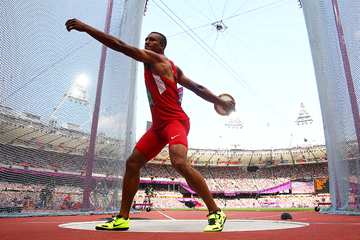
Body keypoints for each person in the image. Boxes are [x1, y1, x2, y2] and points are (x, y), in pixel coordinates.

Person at [65, 18, 235, 232]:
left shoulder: (156, 59)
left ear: (161, 46)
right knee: (132, 163)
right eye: (146, 39)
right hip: (158, 126)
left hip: (175, 122)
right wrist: (220, 102)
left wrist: (86, 27)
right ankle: (122, 218)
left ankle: (215, 212)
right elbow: (198, 88)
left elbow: (121, 47)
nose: (147, 41)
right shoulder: (174, 68)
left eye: (152, 39)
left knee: (179, 163)